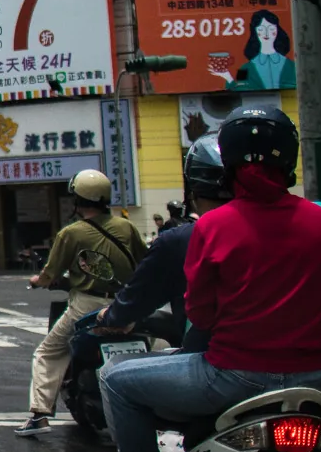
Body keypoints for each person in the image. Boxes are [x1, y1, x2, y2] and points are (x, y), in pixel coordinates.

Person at [97, 108, 321, 452]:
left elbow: (201, 314)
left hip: (234, 377)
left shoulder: (214, 227)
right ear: (290, 159)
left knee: (116, 379)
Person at [15, 168, 144, 436]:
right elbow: (144, 261)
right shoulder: (126, 226)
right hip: (125, 305)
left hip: (86, 307)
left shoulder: (71, 234)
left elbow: (50, 274)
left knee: (47, 353)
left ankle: (39, 415)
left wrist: (37, 280)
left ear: (78, 199)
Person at [91, 134, 229, 352]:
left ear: (193, 193)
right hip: (292, 363)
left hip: (220, 365)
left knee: (114, 376)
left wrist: (113, 316)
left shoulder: (181, 239)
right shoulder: (294, 223)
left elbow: (138, 296)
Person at [215, 10, 297, 91]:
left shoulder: (292, 65)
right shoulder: (244, 68)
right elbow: (239, 90)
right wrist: (229, 78)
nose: (266, 33)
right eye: (261, 29)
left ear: (277, 30)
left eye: (271, 28)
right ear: (255, 31)